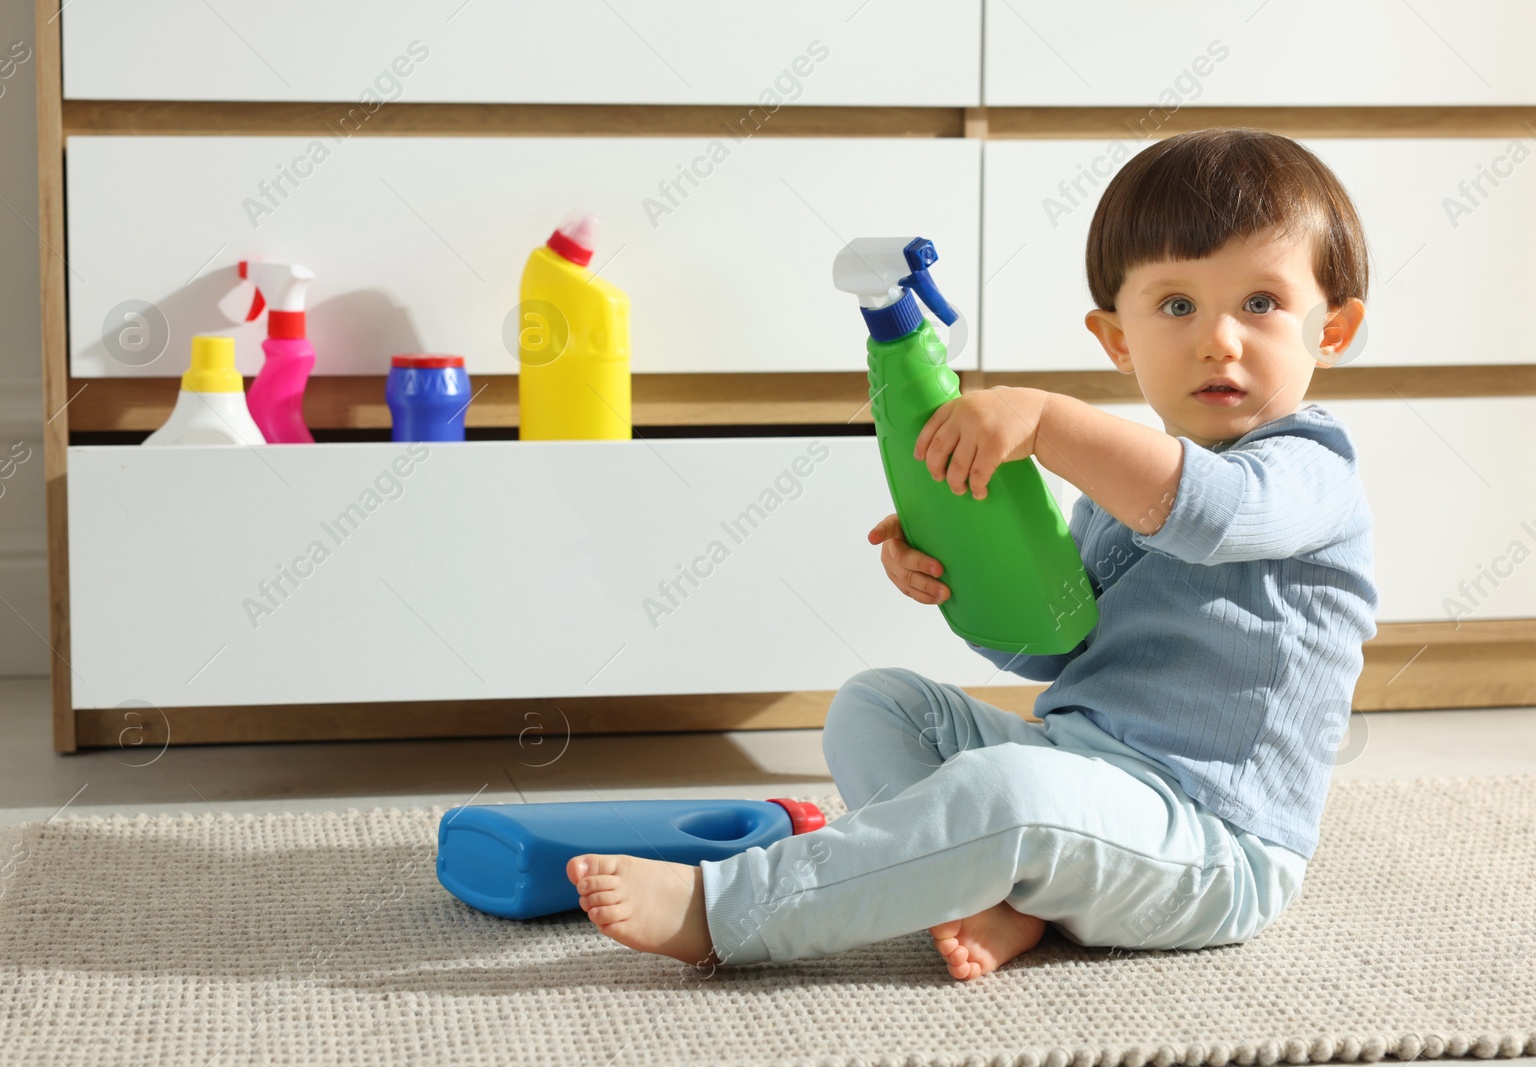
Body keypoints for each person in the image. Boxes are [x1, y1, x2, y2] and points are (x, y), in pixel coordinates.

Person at [565, 127, 1379, 980]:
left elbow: (1216, 511)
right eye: (1177, 306)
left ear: (1332, 328)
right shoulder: (1121, 482)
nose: (1220, 338)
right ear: (1119, 340)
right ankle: (988, 893)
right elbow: (1053, 643)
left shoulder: (1311, 471)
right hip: (1079, 769)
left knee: (1003, 796)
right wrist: (956, 574)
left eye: (1260, 303)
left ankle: (730, 907)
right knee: (876, 705)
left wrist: (1048, 419)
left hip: (1214, 842)